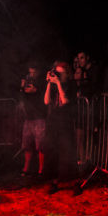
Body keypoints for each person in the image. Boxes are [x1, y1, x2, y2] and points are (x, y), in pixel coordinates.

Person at [45, 60, 79, 194]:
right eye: (56, 72)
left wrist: (58, 84)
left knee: (68, 152)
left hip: (65, 121)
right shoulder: (52, 85)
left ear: (66, 73)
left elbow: (65, 101)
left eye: (60, 72)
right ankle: (54, 182)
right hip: (52, 122)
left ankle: (75, 182)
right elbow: (46, 101)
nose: (57, 75)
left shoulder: (71, 85)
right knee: (52, 153)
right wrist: (49, 83)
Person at [18, 65, 47, 180]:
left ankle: (41, 170)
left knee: (41, 145)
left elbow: (34, 91)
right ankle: (26, 168)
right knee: (27, 145)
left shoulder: (41, 83)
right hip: (28, 118)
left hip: (39, 117)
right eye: (30, 72)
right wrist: (22, 87)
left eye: (33, 72)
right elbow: (23, 94)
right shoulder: (27, 82)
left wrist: (32, 89)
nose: (31, 74)